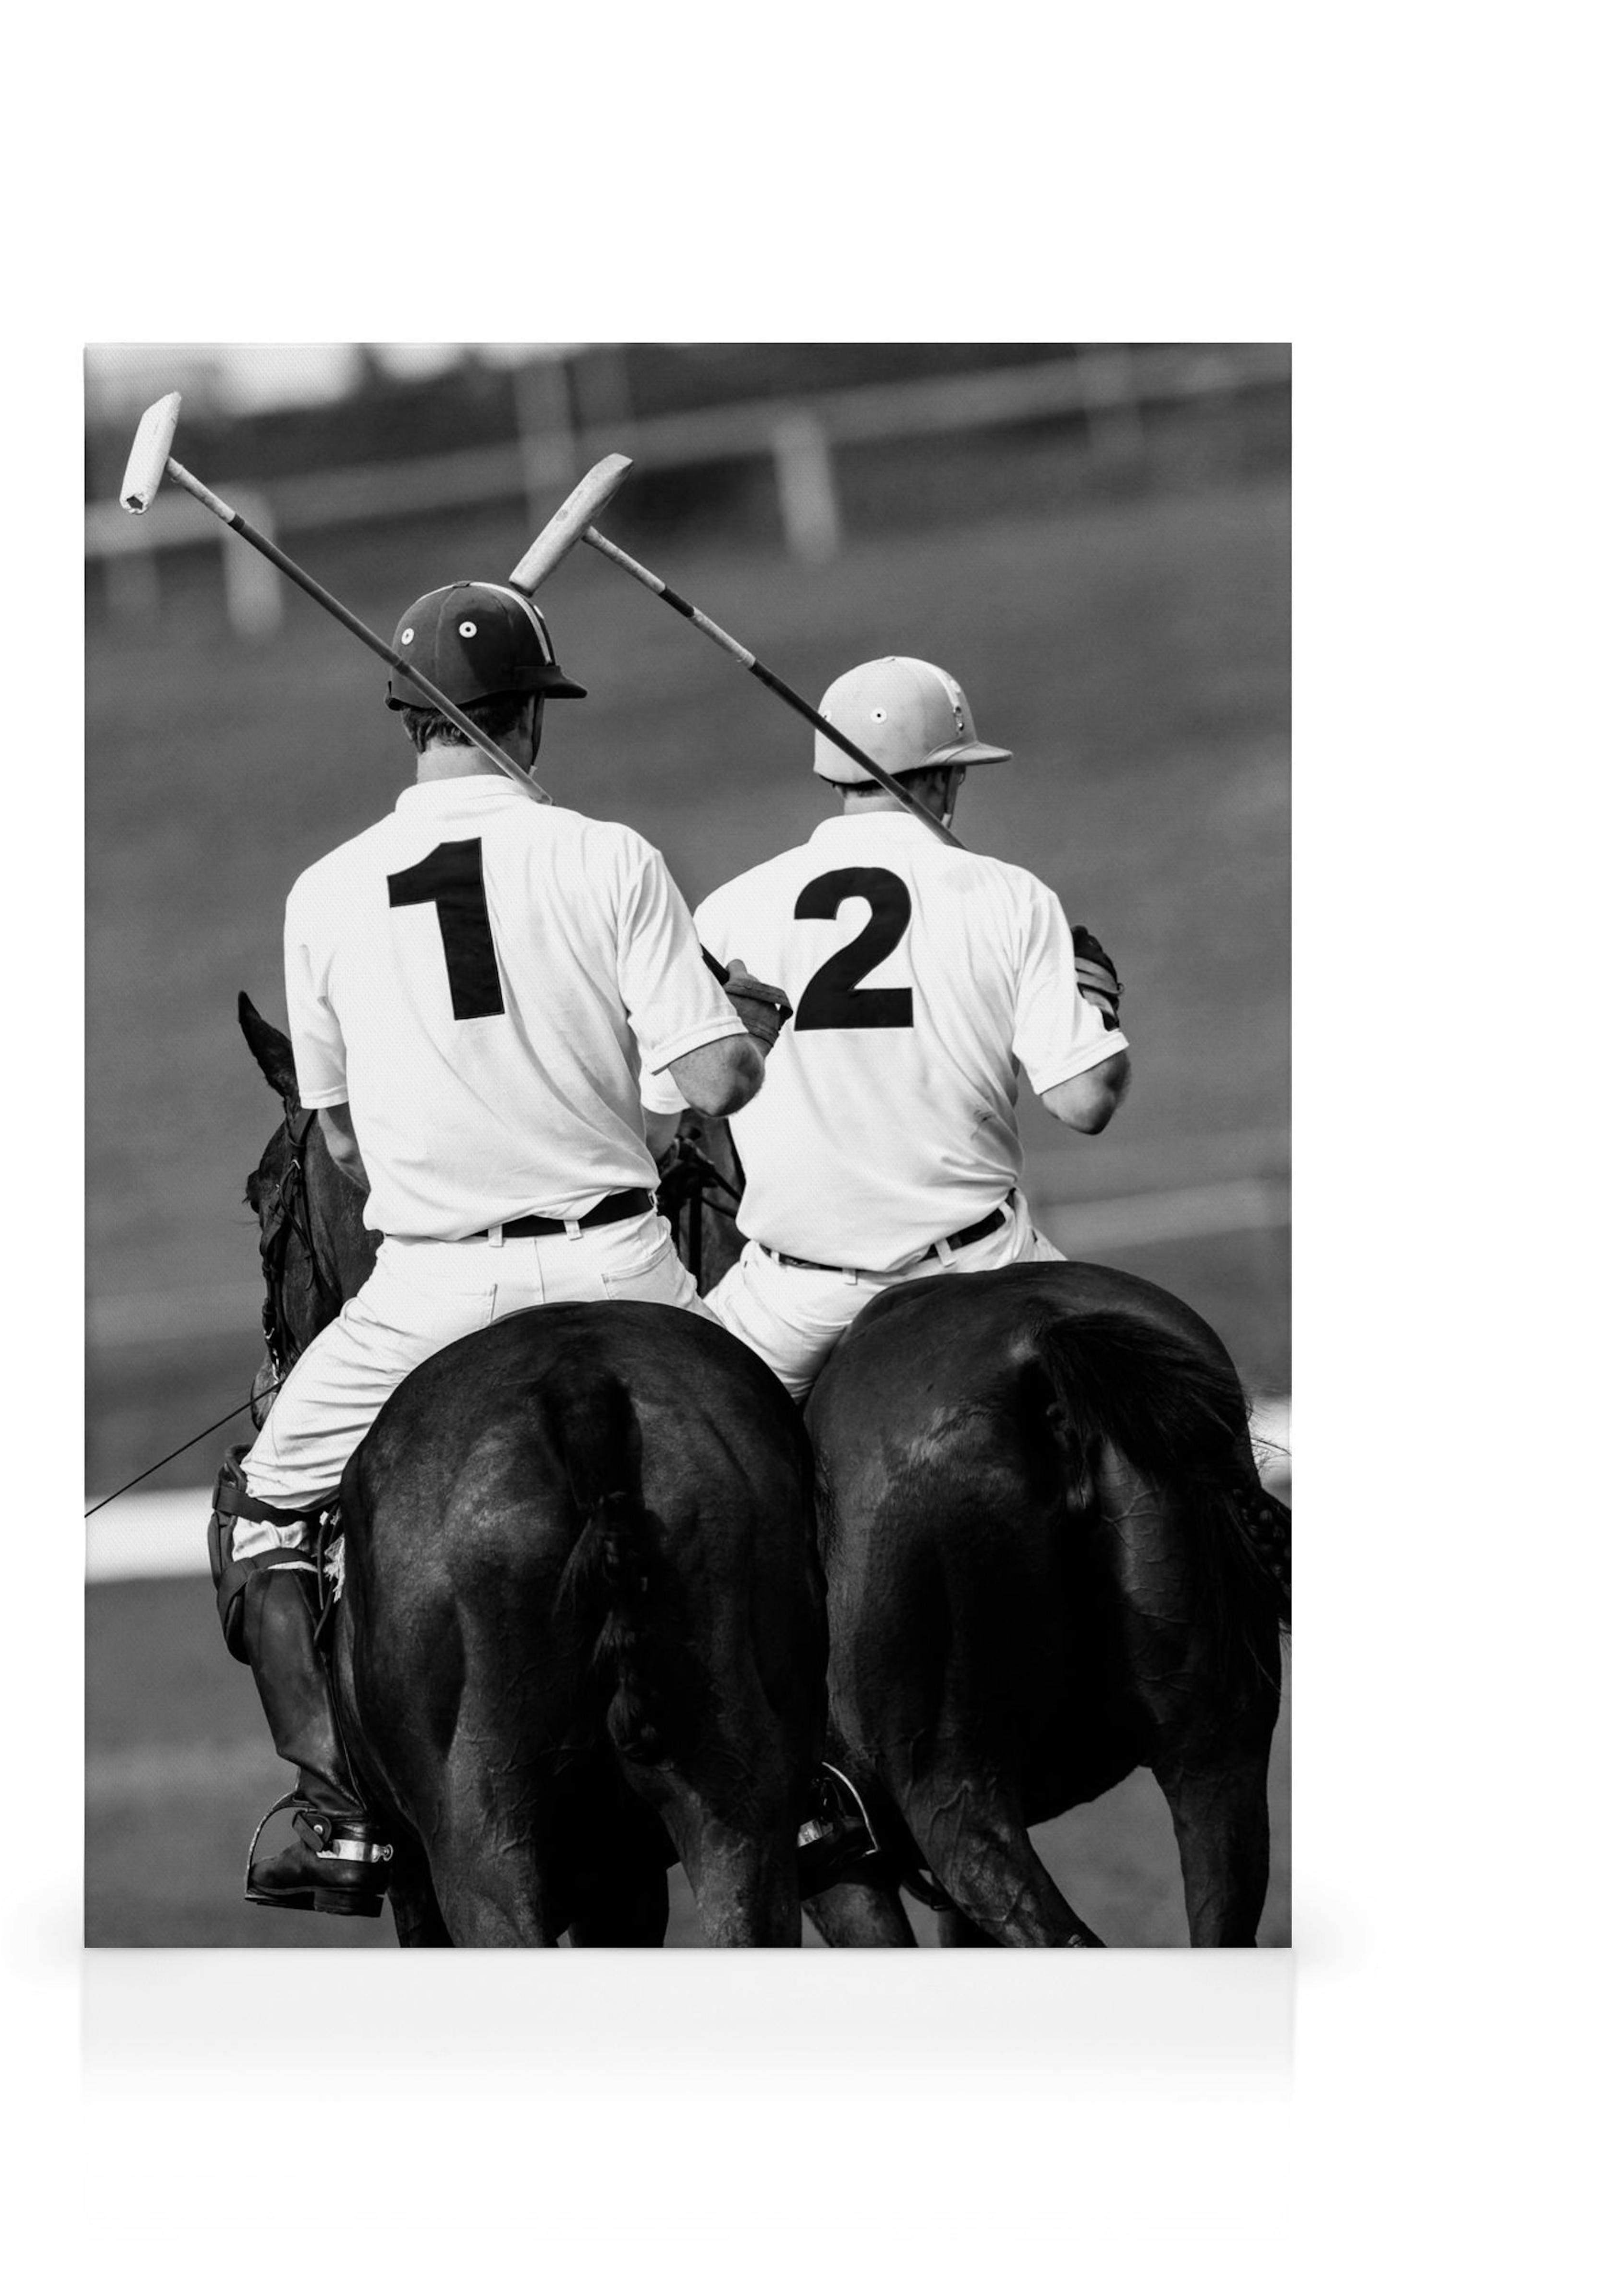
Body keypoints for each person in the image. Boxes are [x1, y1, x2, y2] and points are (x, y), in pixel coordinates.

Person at [207, 579, 788, 1916]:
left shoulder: (321, 893)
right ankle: (815, 1771)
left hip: (428, 1289)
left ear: (410, 722)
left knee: (264, 1509)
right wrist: (746, 1034)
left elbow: (339, 1143)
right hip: (624, 1271)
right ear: (529, 717)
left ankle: (335, 1812)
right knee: (785, 1466)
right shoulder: (611, 857)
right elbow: (713, 1084)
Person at [645, 654, 1130, 1403]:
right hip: (985, 1266)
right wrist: (1098, 1009)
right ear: (942, 776)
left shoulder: (730, 909)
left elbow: (658, 1124)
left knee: (684, 1448)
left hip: (796, 1299)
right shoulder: (1012, 896)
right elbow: (1084, 1103)